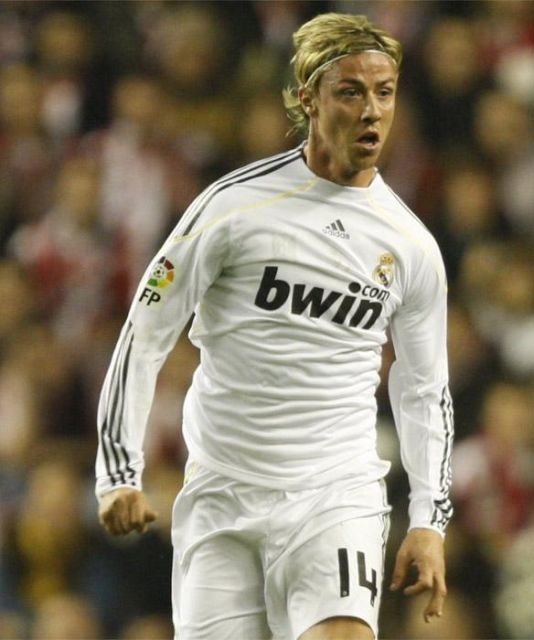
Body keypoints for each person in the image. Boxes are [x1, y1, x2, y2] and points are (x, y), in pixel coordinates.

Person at [96, 12, 453, 640]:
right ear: (308, 98)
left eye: (385, 92)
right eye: (351, 92)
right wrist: (119, 472)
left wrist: (428, 520)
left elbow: (424, 390)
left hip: (335, 495)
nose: (372, 111)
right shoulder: (232, 207)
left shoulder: (411, 245)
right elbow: (145, 332)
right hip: (223, 496)